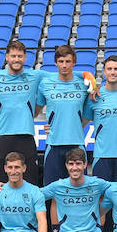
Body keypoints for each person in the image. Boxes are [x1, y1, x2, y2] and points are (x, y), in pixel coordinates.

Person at [0, 41, 46, 185]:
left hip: (26, 136)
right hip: (3, 136)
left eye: (19, 56)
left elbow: (62, 75)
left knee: (30, 184)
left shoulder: (34, 75)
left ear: (25, 58)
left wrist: (86, 75)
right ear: (7, 57)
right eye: (13, 56)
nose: (16, 59)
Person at [34, 46, 94, 185]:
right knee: (52, 191)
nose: (64, 65)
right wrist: (50, 124)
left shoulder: (85, 83)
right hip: (53, 145)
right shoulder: (45, 84)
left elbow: (88, 112)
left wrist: (74, 125)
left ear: (74, 63)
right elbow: (36, 111)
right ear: (55, 63)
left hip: (77, 145)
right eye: (61, 61)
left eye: (68, 61)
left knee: (79, 189)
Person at [85, 55, 117, 181]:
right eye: (109, 69)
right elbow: (81, 122)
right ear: (104, 71)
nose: (112, 72)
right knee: (102, 198)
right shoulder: (94, 97)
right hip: (101, 155)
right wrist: (53, 128)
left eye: (116, 69)